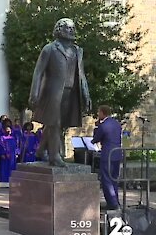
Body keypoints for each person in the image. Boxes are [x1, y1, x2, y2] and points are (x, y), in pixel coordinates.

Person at [28, 18, 91, 167]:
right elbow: (38, 72)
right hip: (52, 92)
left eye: (73, 28)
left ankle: (41, 149)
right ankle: (54, 156)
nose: (71, 30)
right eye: (68, 28)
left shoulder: (77, 51)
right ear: (59, 30)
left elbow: (81, 74)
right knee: (54, 123)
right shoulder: (49, 49)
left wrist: (86, 94)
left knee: (58, 124)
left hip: (70, 93)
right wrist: (34, 93)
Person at [91, 105, 122, 210]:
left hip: (107, 155)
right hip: (117, 154)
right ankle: (116, 201)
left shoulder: (103, 126)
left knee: (106, 180)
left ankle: (112, 203)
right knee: (114, 179)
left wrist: (96, 128)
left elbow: (96, 139)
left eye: (99, 112)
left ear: (102, 113)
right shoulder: (117, 124)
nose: (98, 114)